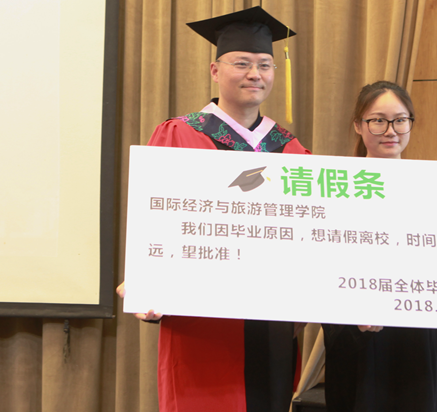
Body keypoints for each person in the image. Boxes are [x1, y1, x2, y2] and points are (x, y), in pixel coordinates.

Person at [117, 6, 310, 412]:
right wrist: (145, 279)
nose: (255, 74)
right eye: (242, 63)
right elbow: (156, 223)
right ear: (215, 70)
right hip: (202, 323)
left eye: (265, 65)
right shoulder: (180, 135)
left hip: (272, 321)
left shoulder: (290, 149)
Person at [321, 81, 437, 412]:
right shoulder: (333, 190)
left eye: (400, 120)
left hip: (421, 347)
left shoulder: (436, 188)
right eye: (378, 120)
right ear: (358, 125)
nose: (391, 130)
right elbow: (322, 275)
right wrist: (354, 322)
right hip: (362, 345)